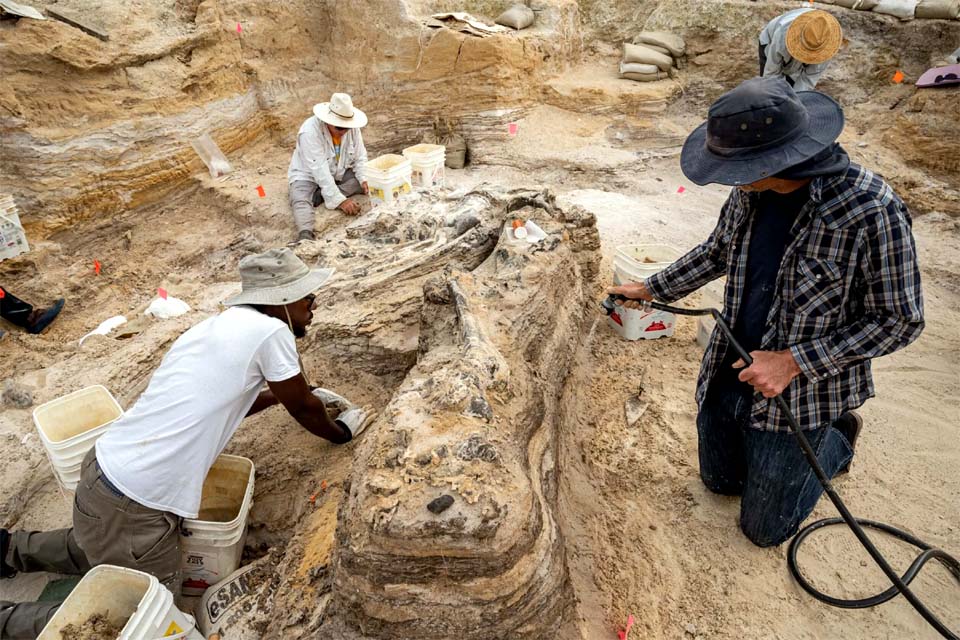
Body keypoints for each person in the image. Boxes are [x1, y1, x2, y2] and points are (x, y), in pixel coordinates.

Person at [611, 77, 923, 547]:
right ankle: (777, 448)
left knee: (763, 531)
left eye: (733, 167)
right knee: (720, 483)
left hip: (802, 390)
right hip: (733, 362)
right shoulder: (753, 190)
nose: (723, 177)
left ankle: (835, 439)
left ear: (777, 160)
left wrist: (792, 361)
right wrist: (652, 287)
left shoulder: (871, 211)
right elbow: (718, 251)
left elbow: (901, 320)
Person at [1, 248, 372, 638]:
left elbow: (224, 401)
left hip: (107, 474)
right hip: (136, 500)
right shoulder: (273, 331)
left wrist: (280, 396)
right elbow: (305, 409)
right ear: (280, 299)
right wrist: (340, 432)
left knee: (102, 541)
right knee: (142, 620)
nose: (314, 306)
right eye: (307, 297)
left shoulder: (215, 326)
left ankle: (8, 550)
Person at [288, 92, 370, 243]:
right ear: (327, 121)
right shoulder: (310, 132)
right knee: (299, 198)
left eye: (347, 127)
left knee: (368, 179)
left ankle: (323, 195)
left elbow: (360, 157)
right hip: (309, 174)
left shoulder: (351, 128)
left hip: (338, 171)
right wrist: (341, 201)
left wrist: (365, 179)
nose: (344, 131)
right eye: (339, 127)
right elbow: (319, 170)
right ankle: (305, 233)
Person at [759, 8, 842, 91]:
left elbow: (808, 80)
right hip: (770, 42)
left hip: (791, 59)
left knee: (792, 89)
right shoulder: (782, 35)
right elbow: (771, 74)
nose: (807, 55)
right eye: (806, 51)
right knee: (769, 89)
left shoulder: (826, 46)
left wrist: (795, 101)